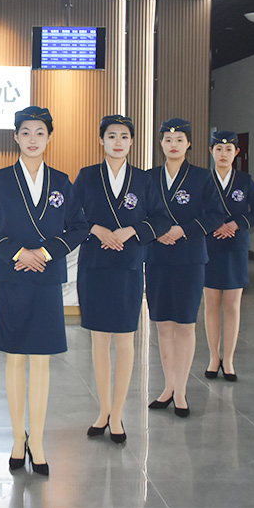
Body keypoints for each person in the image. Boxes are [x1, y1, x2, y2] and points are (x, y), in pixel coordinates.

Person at [0, 106, 88, 475]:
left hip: (47, 279)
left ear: (49, 138)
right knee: (15, 359)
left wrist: (46, 253)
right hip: (14, 276)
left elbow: (79, 227)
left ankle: (36, 440)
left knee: (41, 360)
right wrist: (19, 253)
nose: (33, 139)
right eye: (26, 132)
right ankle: (16, 439)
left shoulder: (61, 181)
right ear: (15, 137)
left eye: (40, 132)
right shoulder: (0, 180)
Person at [74, 115, 167, 444]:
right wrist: (97, 229)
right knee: (99, 341)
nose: (117, 142)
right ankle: (103, 411)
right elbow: (71, 216)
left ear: (131, 142)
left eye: (124, 136)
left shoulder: (143, 180)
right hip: (95, 265)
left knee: (126, 342)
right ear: (101, 140)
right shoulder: (87, 176)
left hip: (128, 265)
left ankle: (118, 415)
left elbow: (161, 219)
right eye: (111, 136)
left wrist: (131, 231)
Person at [146, 118, 224, 418]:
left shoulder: (202, 177)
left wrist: (183, 230)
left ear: (189, 144)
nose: (173, 145)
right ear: (161, 144)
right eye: (168, 140)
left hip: (190, 258)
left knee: (185, 324)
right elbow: (140, 214)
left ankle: (181, 391)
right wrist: (157, 231)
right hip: (157, 257)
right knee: (163, 324)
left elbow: (215, 215)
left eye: (179, 139)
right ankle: (168, 387)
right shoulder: (149, 177)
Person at [203, 131, 254, 382]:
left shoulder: (244, 181)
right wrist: (214, 225)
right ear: (211, 151)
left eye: (228, 149)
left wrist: (237, 223)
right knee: (211, 305)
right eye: (219, 149)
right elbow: (194, 213)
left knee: (232, 306)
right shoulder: (203, 180)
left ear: (236, 153)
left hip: (235, 248)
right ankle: (213, 357)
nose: (223, 154)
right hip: (209, 247)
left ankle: (228, 359)